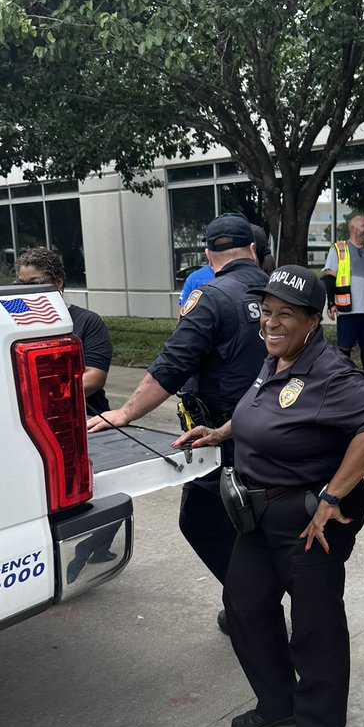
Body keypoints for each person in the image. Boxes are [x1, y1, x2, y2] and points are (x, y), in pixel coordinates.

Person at [175, 266, 364, 727]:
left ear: (313, 321)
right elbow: (261, 412)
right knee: (246, 604)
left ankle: (320, 722)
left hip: (307, 516)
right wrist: (221, 433)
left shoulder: (330, 372)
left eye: (285, 315)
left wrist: (333, 497)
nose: (270, 324)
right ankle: (277, 701)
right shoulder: (274, 359)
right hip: (257, 512)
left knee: (315, 623)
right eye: (266, 313)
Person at [88, 214, 268, 627]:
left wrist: (126, 412)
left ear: (208, 254)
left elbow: (173, 364)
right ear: (253, 249)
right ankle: (260, 601)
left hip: (227, 437)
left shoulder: (213, 297)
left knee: (203, 521)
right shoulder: (278, 292)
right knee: (259, 522)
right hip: (282, 431)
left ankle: (250, 606)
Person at [15, 247, 113, 416]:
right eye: (20, 284)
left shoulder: (88, 321)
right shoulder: (15, 323)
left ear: (58, 282)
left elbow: (94, 378)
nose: (26, 290)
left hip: (84, 416)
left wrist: (46, 396)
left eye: (34, 283)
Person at [322, 213, 364, 377]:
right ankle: (343, 379)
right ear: (354, 228)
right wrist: (331, 303)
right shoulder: (339, 249)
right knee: (344, 347)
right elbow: (329, 277)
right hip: (348, 309)